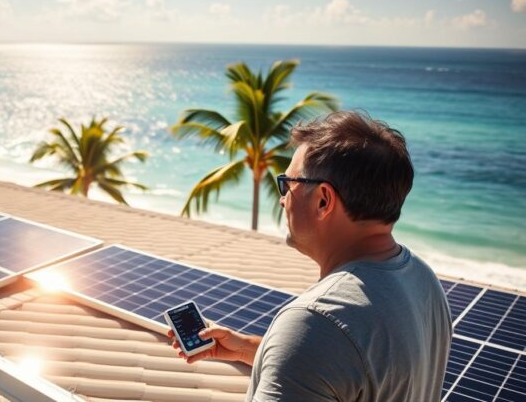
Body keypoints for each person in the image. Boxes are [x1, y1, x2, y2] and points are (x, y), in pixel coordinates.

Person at [169, 111, 452, 401]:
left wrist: (293, 347)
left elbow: (326, 349)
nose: (281, 198)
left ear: (323, 200)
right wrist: (251, 349)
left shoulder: (317, 322)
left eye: (288, 184)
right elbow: (357, 371)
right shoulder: (423, 279)